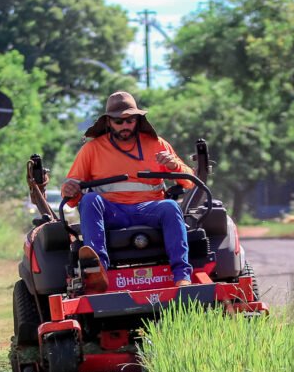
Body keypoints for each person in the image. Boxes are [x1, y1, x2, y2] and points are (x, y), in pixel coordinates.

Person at [59, 91, 206, 292]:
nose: (125, 125)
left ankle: (182, 276)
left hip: (149, 209)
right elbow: (72, 197)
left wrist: (174, 166)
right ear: (109, 122)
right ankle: (98, 272)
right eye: (119, 121)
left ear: (137, 120)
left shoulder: (156, 144)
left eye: (130, 120)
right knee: (90, 199)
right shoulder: (91, 149)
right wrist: (69, 188)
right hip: (112, 212)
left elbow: (189, 182)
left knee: (171, 206)